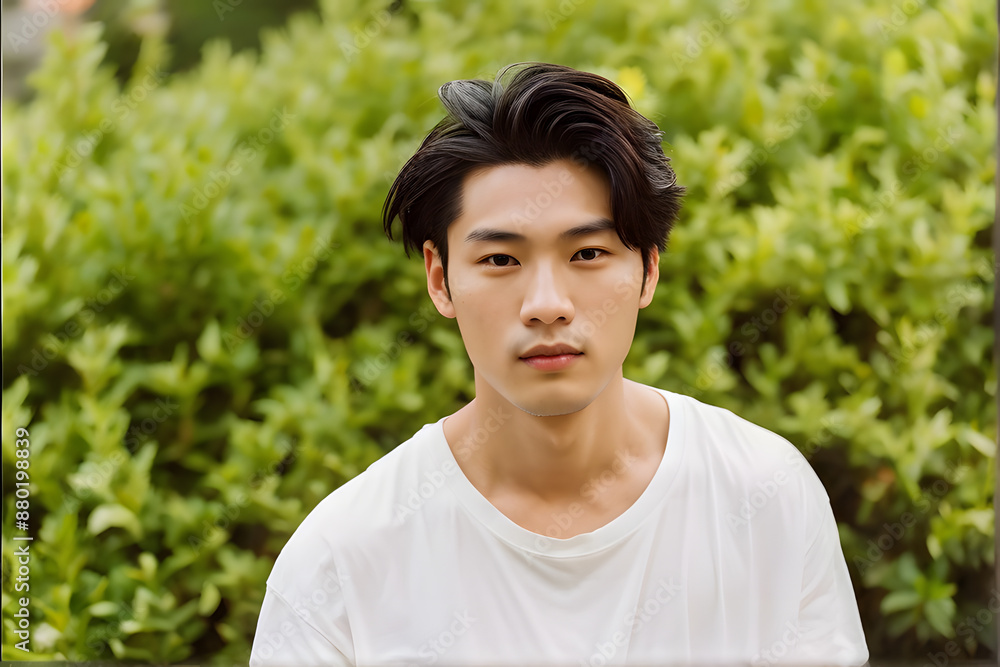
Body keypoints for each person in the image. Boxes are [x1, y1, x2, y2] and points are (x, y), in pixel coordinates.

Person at [249, 62, 870, 667]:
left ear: (649, 269)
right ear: (440, 279)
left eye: (589, 252)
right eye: (499, 260)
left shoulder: (764, 495)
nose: (547, 305)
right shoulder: (342, 559)